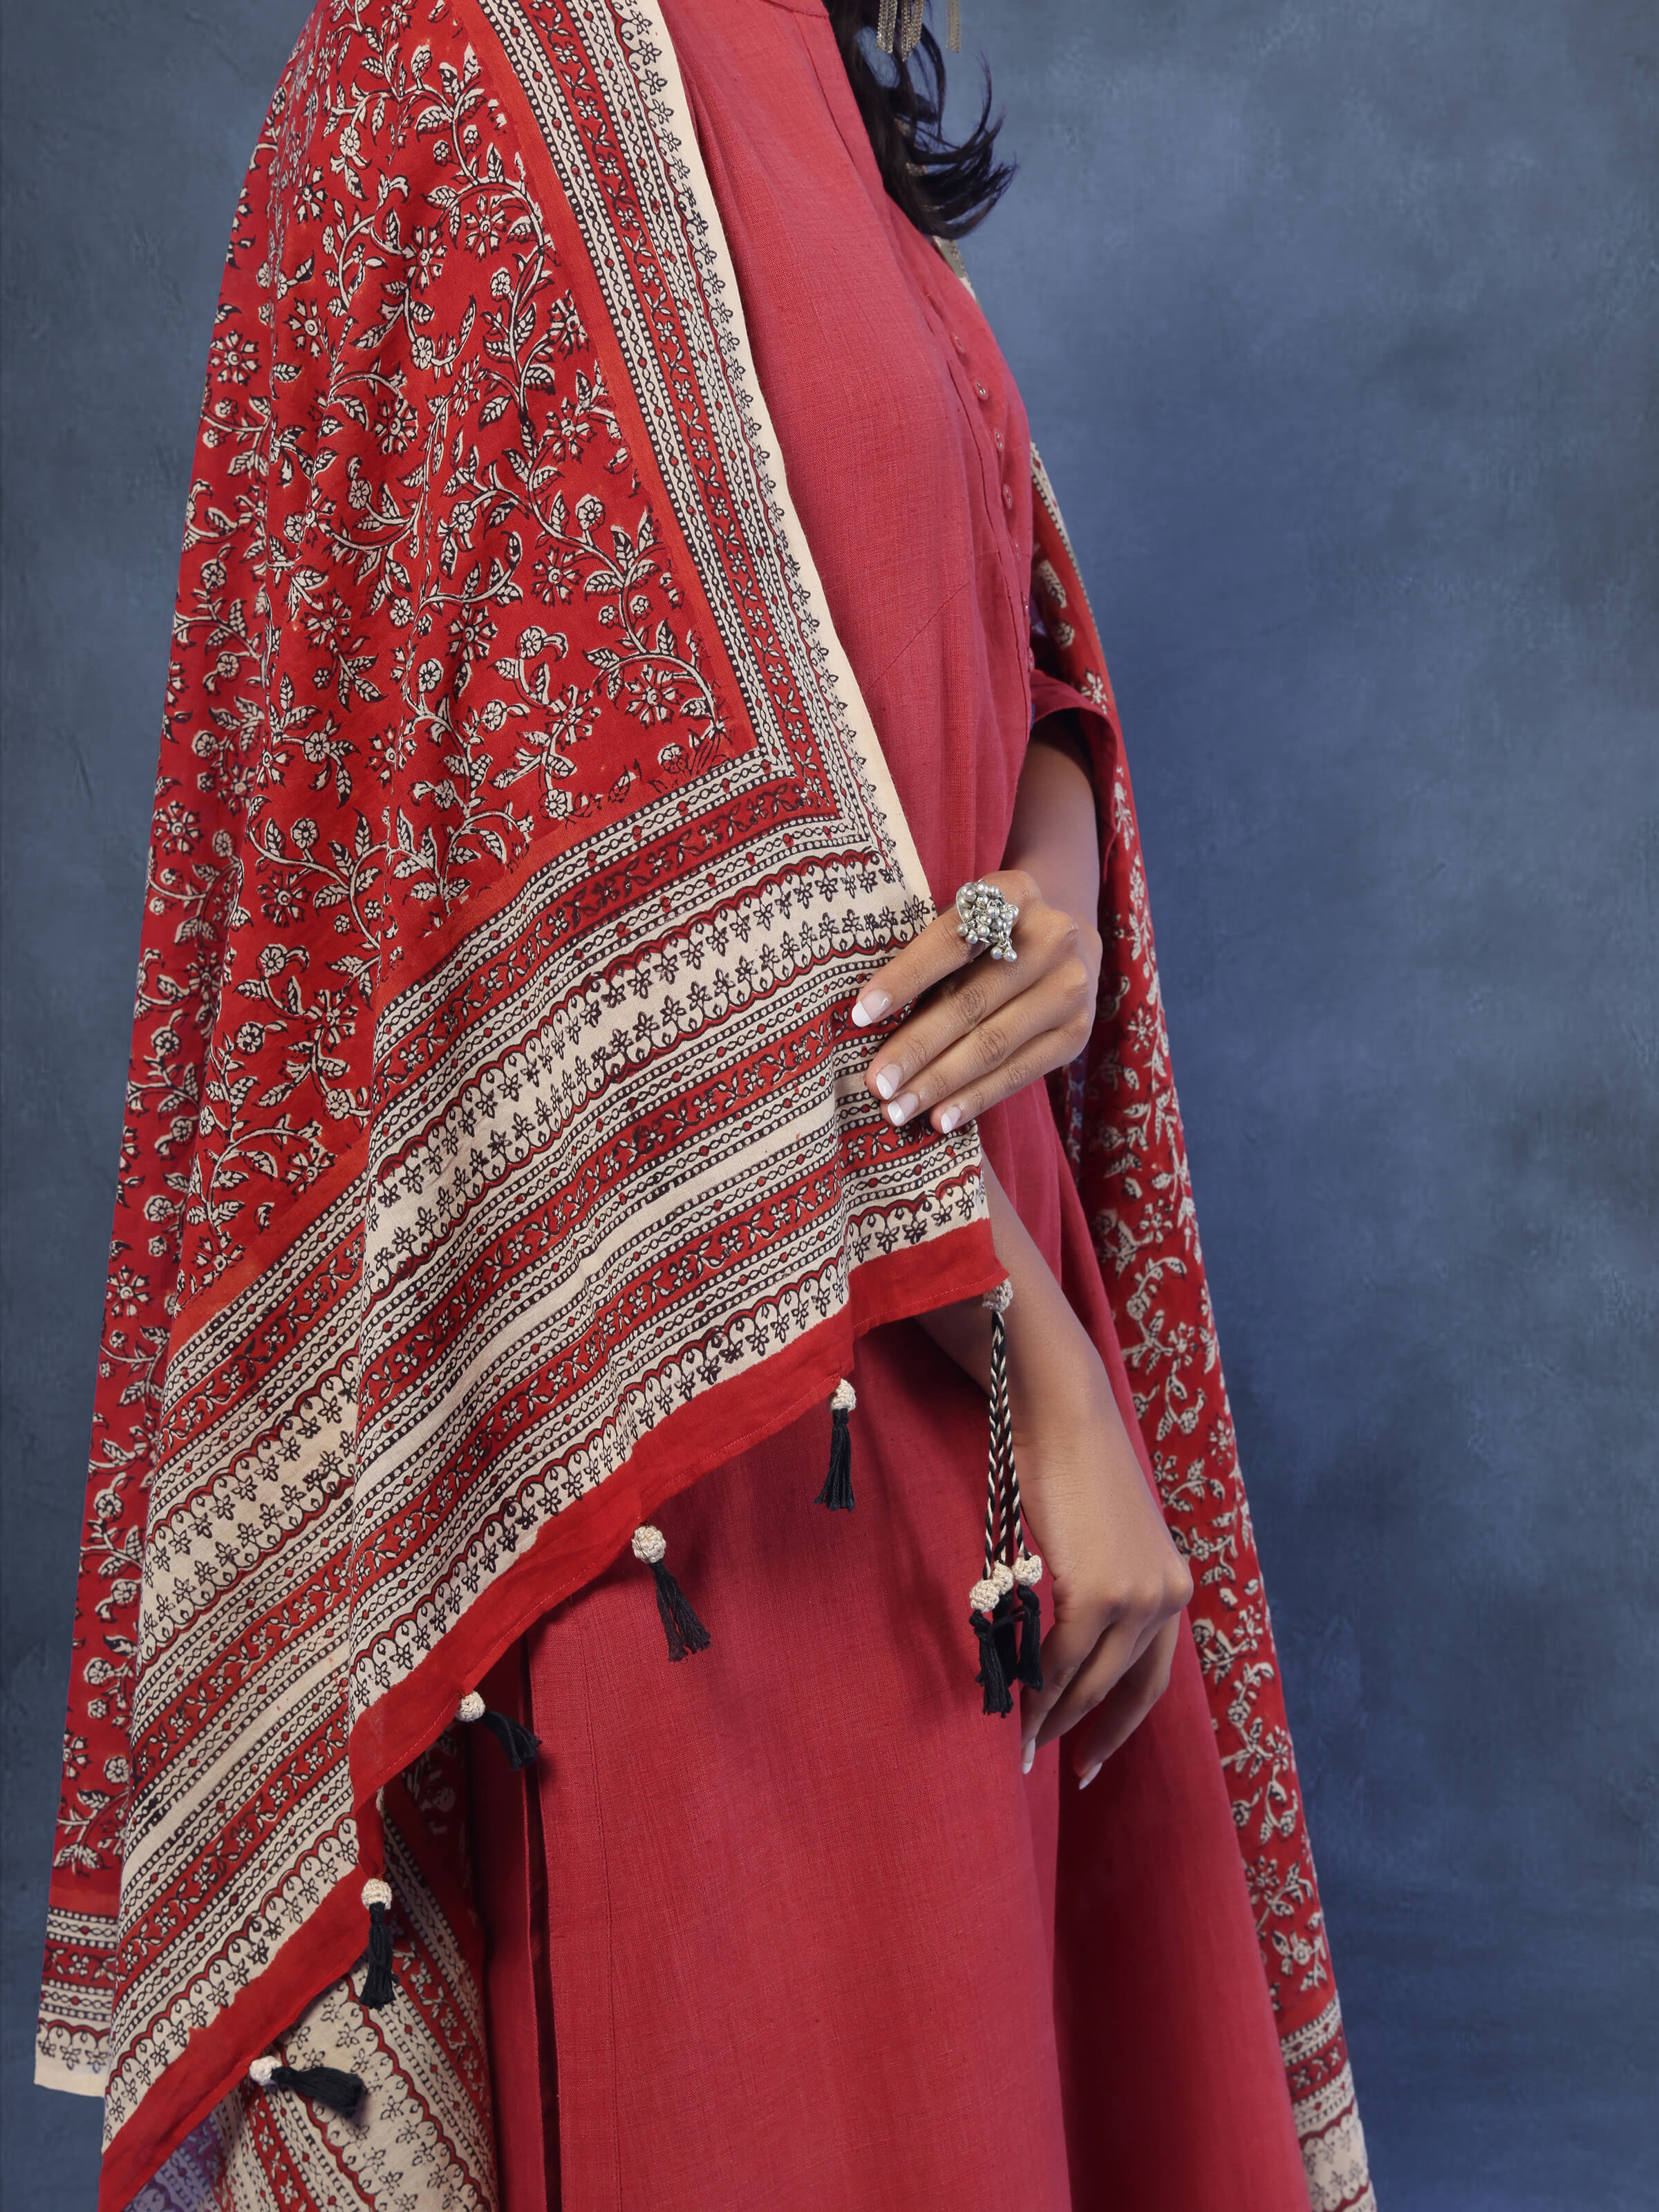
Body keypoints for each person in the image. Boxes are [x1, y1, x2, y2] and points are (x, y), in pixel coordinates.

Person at [37, 3, 1374, 2208]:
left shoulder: (805, 79)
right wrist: (1046, 1375)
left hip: (964, 1307)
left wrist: (1054, 904)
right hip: (725, 1425)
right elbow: (594, 853)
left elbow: (1006, 661)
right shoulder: (455, 61)